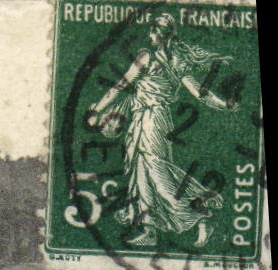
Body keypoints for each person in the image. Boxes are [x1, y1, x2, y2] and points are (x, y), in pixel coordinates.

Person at [85, 13, 239, 248]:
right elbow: (200, 93)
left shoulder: (148, 57)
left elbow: (121, 85)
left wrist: (97, 109)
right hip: (145, 119)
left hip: (152, 120)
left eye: (152, 32)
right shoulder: (177, 61)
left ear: (160, 34)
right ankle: (149, 229)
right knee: (142, 173)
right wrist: (223, 105)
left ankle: (201, 214)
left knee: (157, 174)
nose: (149, 36)